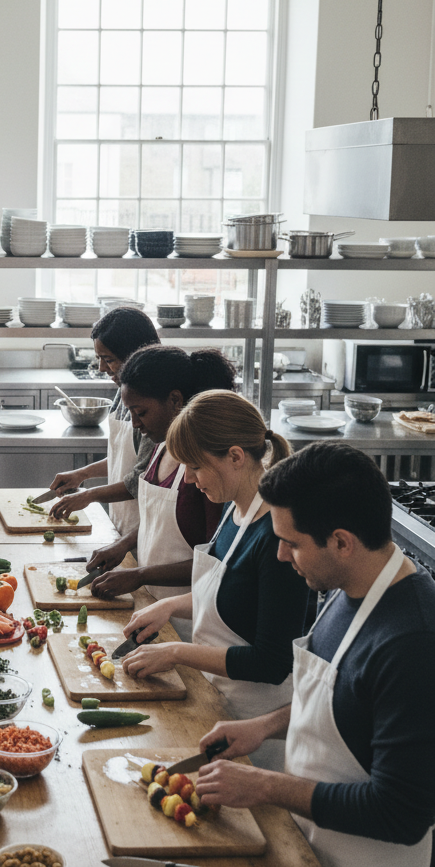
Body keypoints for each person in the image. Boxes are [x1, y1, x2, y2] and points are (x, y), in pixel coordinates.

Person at [194, 442, 435, 867]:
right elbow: (345, 701)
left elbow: (401, 813)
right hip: (307, 845)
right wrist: (265, 725)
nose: (281, 554)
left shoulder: (412, 642)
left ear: (341, 542)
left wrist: (265, 786)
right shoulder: (348, 588)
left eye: (291, 543)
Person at [120, 391, 311, 769]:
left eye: (195, 466)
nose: (188, 479)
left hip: (255, 729)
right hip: (215, 704)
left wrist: (177, 652)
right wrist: (169, 606)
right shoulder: (234, 509)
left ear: (236, 457)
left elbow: (270, 663)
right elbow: (232, 593)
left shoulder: (278, 539)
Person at [89, 346, 236, 641]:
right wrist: (125, 544)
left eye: (141, 412)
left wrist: (141, 574)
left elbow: (213, 563)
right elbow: (163, 522)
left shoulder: (205, 470)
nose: (135, 424)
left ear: (175, 400)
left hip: (189, 624)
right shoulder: (159, 447)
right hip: (151, 609)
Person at [48, 307, 161, 533]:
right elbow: (124, 459)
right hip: (121, 521)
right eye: (99, 358)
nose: (101, 368)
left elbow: (143, 477)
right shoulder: (123, 390)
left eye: (108, 359)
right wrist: (83, 474)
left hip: (145, 527)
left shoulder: (154, 403)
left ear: (133, 354)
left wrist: (90, 496)